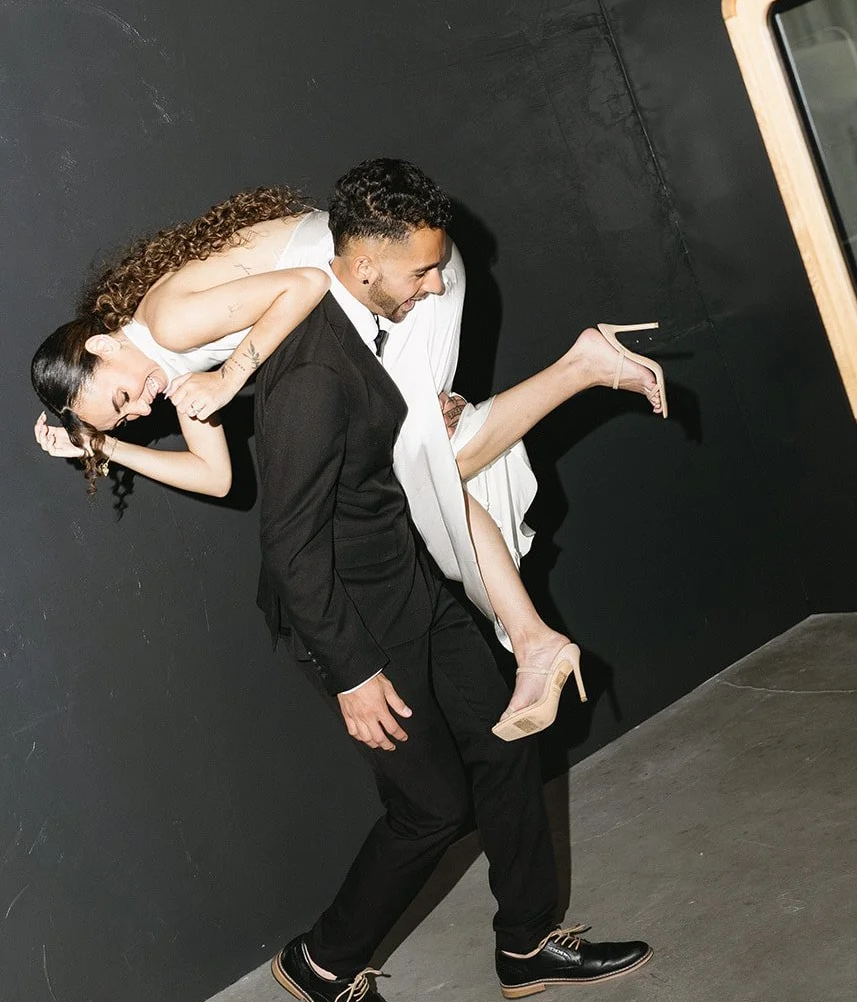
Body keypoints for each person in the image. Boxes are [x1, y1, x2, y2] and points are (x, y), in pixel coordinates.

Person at [31, 178, 666, 734]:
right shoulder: (164, 365)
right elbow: (218, 478)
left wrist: (228, 378)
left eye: (121, 399)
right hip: (376, 294)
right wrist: (108, 447)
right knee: (429, 470)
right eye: (126, 418)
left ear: (103, 346)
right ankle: (534, 641)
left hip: (399, 274)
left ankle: (585, 369)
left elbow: (308, 283)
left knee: (427, 471)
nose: (141, 410)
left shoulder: (168, 325)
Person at [258, 158, 653, 1002]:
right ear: (365, 263)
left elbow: (379, 450)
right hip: (351, 619)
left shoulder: (369, 326)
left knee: (510, 741)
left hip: (408, 583)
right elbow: (288, 544)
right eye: (424, 270)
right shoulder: (311, 368)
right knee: (432, 808)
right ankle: (321, 962)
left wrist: (427, 417)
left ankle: (527, 944)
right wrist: (351, 673)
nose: (436, 285)